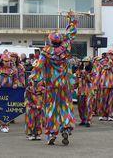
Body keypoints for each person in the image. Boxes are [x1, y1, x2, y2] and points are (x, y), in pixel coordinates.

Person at [29, 11, 77, 146]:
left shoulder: (45, 51)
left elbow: (38, 67)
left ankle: (51, 133)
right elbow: (70, 34)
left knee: (51, 108)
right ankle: (66, 127)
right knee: (65, 105)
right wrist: (71, 19)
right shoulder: (65, 47)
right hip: (65, 84)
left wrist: (34, 78)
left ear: (50, 40)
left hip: (51, 85)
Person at [0, 54, 18, 133]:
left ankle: (6, 124)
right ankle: (1, 123)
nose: (7, 62)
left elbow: (16, 78)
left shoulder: (13, 69)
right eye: (5, 61)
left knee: (8, 107)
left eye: (8, 61)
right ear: (2, 61)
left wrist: (15, 84)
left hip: (10, 90)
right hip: (0, 90)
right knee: (0, 107)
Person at [98, 50, 113, 121]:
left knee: (110, 100)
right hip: (104, 83)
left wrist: (112, 66)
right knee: (103, 99)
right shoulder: (102, 61)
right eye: (109, 54)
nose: (110, 56)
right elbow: (99, 71)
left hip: (112, 83)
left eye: (111, 55)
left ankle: (110, 115)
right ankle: (102, 114)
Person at [25, 68, 45, 140]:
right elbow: (27, 99)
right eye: (34, 80)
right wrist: (32, 105)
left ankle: (38, 134)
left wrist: (42, 106)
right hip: (31, 108)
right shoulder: (28, 89)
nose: (36, 82)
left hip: (40, 107)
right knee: (31, 120)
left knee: (39, 121)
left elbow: (45, 99)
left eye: (38, 81)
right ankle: (31, 134)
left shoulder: (43, 90)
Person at [74, 57, 94, 127]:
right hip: (80, 91)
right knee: (80, 106)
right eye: (84, 62)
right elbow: (76, 80)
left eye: (87, 62)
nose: (85, 63)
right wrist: (74, 86)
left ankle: (88, 120)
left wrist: (85, 74)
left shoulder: (92, 70)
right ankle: (83, 119)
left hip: (88, 90)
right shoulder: (79, 71)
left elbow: (91, 80)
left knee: (88, 105)